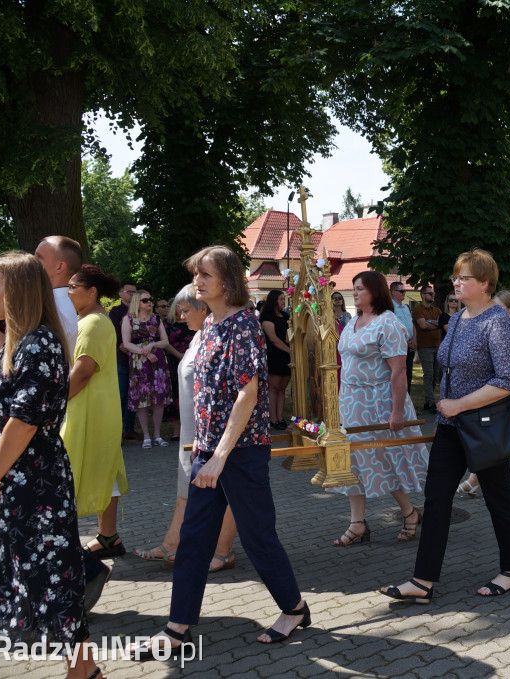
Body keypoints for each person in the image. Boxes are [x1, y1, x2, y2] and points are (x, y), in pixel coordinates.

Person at [131, 245, 309, 657]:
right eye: (196, 275)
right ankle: (176, 630)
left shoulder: (244, 326)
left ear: (227, 281)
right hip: (210, 451)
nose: (197, 282)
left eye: (205, 275)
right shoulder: (209, 324)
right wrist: (205, 452)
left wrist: (220, 456)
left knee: (257, 536)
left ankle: (295, 608)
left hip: (240, 452)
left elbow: (248, 394)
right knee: (194, 540)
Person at [379, 249, 510, 603]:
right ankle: (422, 580)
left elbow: (508, 380)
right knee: (437, 498)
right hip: (449, 426)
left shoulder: (498, 322)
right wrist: (450, 408)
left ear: (486, 284)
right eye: (456, 277)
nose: (457, 283)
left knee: (498, 497)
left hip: (483, 424)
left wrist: (460, 403)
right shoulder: (456, 320)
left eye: (465, 278)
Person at [0, 252, 104, 679]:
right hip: (20, 479)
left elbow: (23, 422)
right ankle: (85, 672)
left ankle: (83, 671)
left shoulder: (41, 344)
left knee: (53, 579)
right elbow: (3, 413)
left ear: (15, 290)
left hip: (36, 482)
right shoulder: (21, 342)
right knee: (33, 578)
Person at [134, 285, 239, 572]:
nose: (180, 315)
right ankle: (173, 542)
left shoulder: (220, 332)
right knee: (186, 485)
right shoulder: (198, 337)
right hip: (193, 428)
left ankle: (222, 549)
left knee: (227, 490)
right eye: (178, 309)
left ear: (204, 308)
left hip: (214, 429)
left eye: (185, 309)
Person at [326, 271, 429, 546]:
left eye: (360, 288)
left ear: (375, 291)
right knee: (352, 462)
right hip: (350, 402)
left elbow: (398, 372)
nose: (355, 293)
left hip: (379, 402)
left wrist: (397, 411)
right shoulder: (353, 322)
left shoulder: (388, 323)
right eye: (353, 288)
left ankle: (409, 513)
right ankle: (357, 523)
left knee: (386, 460)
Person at [63, 265, 131, 561]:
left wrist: (49, 404)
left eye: (72, 287)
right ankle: (108, 537)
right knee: (105, 469)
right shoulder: (93, 319)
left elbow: (81, 374)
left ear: (92, 292)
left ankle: (70, 540)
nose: (67, 292)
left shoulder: (92, 322)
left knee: (75, 468)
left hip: (88, 408)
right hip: (98, 407)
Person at [459, 290, 510, 499]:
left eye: (498, 307)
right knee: (490, 434)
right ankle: (474, 480)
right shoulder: (489, 328)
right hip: (494, 390)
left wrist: (507, 370)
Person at [123, 288, 173, 447]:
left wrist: (152, 345)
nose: (149, 302)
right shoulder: (129, 319)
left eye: (150, 299)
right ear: (137, 302)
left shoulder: (156, 319)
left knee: (158, 398)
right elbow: (126, 343)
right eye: (145, 300)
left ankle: (157, 435)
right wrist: (144, 353)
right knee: (142, 399)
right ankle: (146, 436)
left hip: (157, 361)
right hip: (139, 362)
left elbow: (165, 341)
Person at [34, 235, 82, 351]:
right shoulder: (58, 303)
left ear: (60, 267)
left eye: (39, 258)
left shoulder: (55, 308)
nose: (31, 262)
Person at [164, 296, 197, 441]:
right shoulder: (168, 323)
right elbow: (165, 342)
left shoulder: (195, 322)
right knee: (177, 394)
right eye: (177, 306)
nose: (180, 309)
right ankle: (177, 430)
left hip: (194, 359)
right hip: (174, 360)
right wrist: (179, 355)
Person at [109, 279, 138, 439]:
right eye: (129, 292)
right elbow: (114, 332)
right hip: (121, 359)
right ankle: (116, 431)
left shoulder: (139, 311)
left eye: (135, 292)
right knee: (120, 395)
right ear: (121, 293)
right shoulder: (115, 312)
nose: (132, 295)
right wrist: (122, 344)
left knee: (134, 395)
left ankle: (129, 429)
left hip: (139, 360)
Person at [260, 289, 291, 430]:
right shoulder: (267, 316)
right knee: (273, 388)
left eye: (284, 299)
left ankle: (280, 417)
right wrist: (290, 351)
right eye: (281, 299)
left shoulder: (285, 316)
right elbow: (273, 339)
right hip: (274, 355)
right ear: (273, 300)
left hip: (286, 356)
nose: (283, 301)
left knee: (282, 388)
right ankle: (272, 419)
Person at [412, 284, 442, 413]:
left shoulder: (437, 310)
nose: (433, 295)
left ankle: (426, 402)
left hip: (437, 345)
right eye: (430, 294)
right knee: (429, 375)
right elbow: (423, 325)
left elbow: (442, 323)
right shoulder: (417, 310)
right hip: (425, 347)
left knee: (435, 375)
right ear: (423, 295)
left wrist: (430, 322)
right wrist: (433, 323)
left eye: (434, 294)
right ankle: (431, 404)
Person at [390, 281, 416, 375]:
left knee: (408, 373)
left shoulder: (406, 307)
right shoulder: (389, 307)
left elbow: (412, 324)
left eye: (404, 291)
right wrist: (404, 341)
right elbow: (390, 328)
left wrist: (414, 340)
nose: (404, 293)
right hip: (398, 346)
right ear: (393, 292)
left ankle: (407, 390)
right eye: (401, 291)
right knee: (400, 373)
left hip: (410, 346)